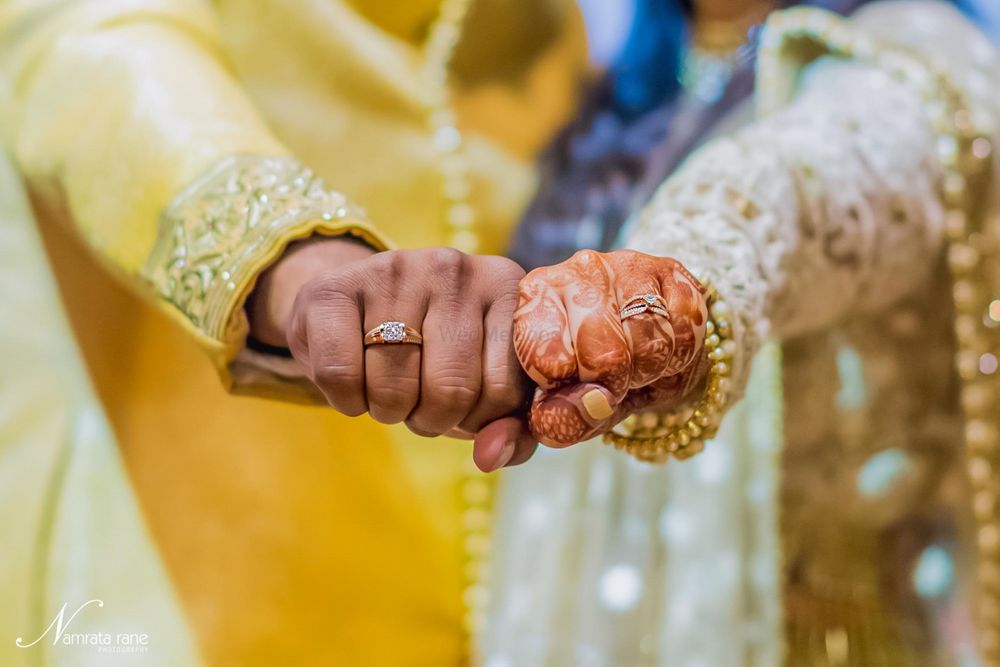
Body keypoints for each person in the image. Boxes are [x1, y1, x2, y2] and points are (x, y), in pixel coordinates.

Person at [0, 3, 998, 667]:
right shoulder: (617, 88)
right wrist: (298, 265)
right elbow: (85, 52)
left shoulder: (904, 60)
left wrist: (657, 297)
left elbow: (804, 190)